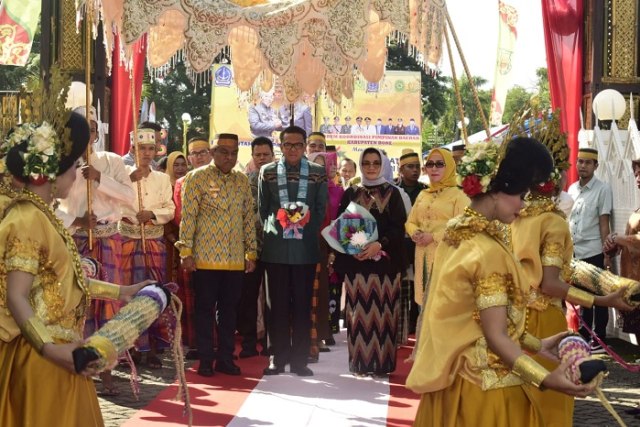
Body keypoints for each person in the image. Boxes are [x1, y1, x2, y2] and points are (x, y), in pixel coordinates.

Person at [407, 137, 594, 426]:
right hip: (486, 388)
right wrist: (545, 378)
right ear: (497, 191)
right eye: (520, 195)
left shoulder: (457, 232)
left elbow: (474, 320)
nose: (523, 205)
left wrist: (537, 343)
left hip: (453, 383)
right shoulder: (485, 249)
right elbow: (495, 336)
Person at [0, 113, 152, 426]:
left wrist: (121, 292)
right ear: (49, 175)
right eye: (70, 167)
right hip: (44, 358)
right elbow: (16, 297)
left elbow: (63, 281)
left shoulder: (44, 216)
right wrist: (51, 351)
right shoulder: (26, 219)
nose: (75, 174)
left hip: (65, 353)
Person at [510, 128, 631, 426]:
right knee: (551, 403)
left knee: (519, 400)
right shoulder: (552, 221)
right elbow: (551, 282)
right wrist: (603, 298)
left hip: (514, 320)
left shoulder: (514, 216)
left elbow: (562, 269)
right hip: (545, 321)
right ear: (554, 178)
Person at [56, 105, 135, 396]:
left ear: (97, 131)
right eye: (82, 127)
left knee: (109, 305)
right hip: (76, 239)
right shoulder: (61, 162)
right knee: (79, 303)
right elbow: (48, 204)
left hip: (108, 238)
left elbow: (129, 197)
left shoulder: (111, 161)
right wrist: (76, 220)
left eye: (92, 127)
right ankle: (77, 363)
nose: (88, 133)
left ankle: (108, 370)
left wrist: (100, 179)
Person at [177, 133, 256, 377]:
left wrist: (251, 251)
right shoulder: (196, 178)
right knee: (204, 310)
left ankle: (225, 359)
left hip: (234, 260)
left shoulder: (242, 181)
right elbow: (188, 217)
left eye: (234, 153)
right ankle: (206, 360)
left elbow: (248, 219)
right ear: (212, 152)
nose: (229, 157)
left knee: (229, 311)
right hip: (205, 258)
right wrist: (186, 250)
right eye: (223, 151)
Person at [259, 126, 328, 377]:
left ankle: (300, 360)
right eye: (287, 145)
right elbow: (263, 209)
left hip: (305, 249)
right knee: (275, 306)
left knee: (301, 306)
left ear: (305, 146)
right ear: (280, 146)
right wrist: (280, 223)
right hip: (275, 249)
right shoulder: (267, 173)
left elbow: (321, 209)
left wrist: (303, 223)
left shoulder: (318, 173)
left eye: (298, 145)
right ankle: (277, 357)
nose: (292, 150)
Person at [332, 147, 407, 377]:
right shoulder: (351, 192)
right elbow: (341, 225)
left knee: (384, 315)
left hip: (385, 266)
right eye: (366, 163)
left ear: (383, 164)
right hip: (357, 266)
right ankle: (360, 363)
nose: (371, 167)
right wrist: (350, 249)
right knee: (358, 316)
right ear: (361, 165)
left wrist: (379, 244)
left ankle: (382, 365)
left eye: (376, 163)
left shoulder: (393, 194)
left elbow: (399, 227)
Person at [120, 128, 175, 368]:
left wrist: (151, 213)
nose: (146, 153)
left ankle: (152, 347)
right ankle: (130, 348)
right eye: (141, 148)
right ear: (133, 149)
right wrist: (132, 216)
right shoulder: (122, 175)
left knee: (153, 292)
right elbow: (114, 202)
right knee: (129, 294)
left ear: (156, 151)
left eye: (151, 148)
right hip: (128, 241)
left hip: (153, 241)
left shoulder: (162, 178)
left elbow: (170, 208)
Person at [405, 147, 468, 313]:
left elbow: (463, 228)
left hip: (446, 256)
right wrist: (415, 232)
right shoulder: (423, 194)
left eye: (439, 164)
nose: (433, 168)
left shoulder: (459, 196)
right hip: (422, 255)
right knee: (423, 306)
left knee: (443, 308)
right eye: (430, 164)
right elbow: (410, 222)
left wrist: (434, 237)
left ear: (449, 167)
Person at [568, 147, 613, 353]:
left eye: (587, 162)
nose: (582, 166)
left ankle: (600, 338)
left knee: (599, 297)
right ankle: (585, 336)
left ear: (596, 166)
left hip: (594, 249)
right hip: (576, 252)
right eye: (580, 161)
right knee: (582, 297)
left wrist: (607, 254)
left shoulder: (602, 189)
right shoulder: (572, 190)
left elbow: (604, 222)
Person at [172, 137, 211, 359]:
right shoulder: (182, 183)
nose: (199, 157)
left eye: (203, 152)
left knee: (213, 297)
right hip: (191, 247)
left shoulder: (220, 180)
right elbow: (179, 216)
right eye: (194, 154)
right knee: (192, 297)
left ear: (210, 154)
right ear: (189, 158)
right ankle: (195, 343)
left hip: (217, 249)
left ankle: (215, 341)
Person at [237, 136, 274, 358]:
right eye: (258, 155)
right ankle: (249, 342)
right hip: (250, 250)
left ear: (273, 155)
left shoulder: (281, 182)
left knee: (273, 298)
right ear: (252, 157)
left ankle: (271, 342)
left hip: (276, 249)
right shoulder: (243, 181)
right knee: (247, 297)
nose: (261, 158)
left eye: (265, 155)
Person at [394, 149, 429, 341]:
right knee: (403, 288)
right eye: (410, 167)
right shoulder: (393, 190)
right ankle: (403, 328)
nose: (415, 171)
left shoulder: (426, 191)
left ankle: (418, 325)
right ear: (401, 169)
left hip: (423, 246)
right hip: (401, 246)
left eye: (417, 167)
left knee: (421, 285)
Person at [163, 152, 188, 283]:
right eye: (176, 165)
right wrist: (172, 238)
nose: (180, 168)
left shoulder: (191, 185)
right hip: (170, 239)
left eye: (183, 165)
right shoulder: (165, 186)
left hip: (188, 239)